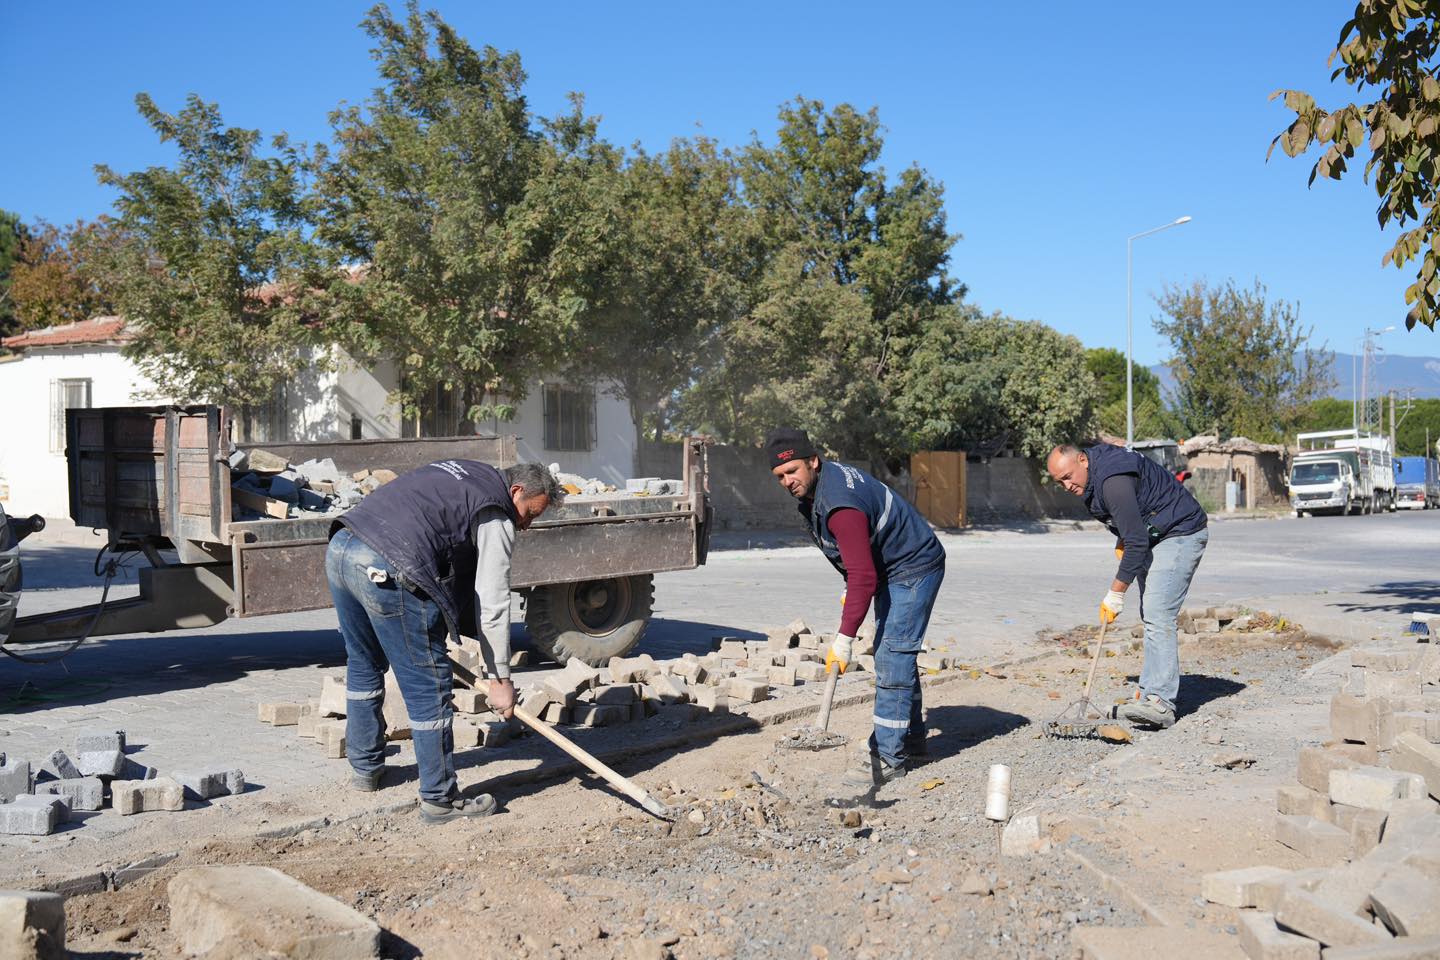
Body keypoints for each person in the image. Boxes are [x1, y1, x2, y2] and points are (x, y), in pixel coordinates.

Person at [325, 459, 563, 822]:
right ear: (516, 492)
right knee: (429, 687)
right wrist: (500, 679)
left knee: (364, 661)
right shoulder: (497, 512)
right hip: (387, 566)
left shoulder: (470, 473)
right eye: (529, 514)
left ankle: (366, 769)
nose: (526, 526)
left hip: (343, 546)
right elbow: (493, 599)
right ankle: (439, 800)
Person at [766, 428, 946, 791]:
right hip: (887, 567)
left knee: (892, 654)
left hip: (912, 565)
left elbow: (863, 573)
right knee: (895, 652)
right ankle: (911, 742)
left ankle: (888, 758)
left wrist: (844, 638)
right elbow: (858, 566)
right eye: (780, 476)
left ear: (813, 462)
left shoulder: (839, 504)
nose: (788, 481)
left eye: (793, 471)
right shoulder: (820, 489)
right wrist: (854, 584)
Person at [1045, 442, 1209, 729]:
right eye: (1060, 482)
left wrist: (1115, 594)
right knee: (1152, 615)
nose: (1066, 485)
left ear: (1083, 460)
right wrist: (1123, 537)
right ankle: (1148, 694)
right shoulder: (1091, 481)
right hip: (1156, 533)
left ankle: (1159, 702)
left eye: (1068, 476)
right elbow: (1128, 522)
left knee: (1159, 614)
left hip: (1181, 532)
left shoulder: (1112, 480)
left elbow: (1136, 542)